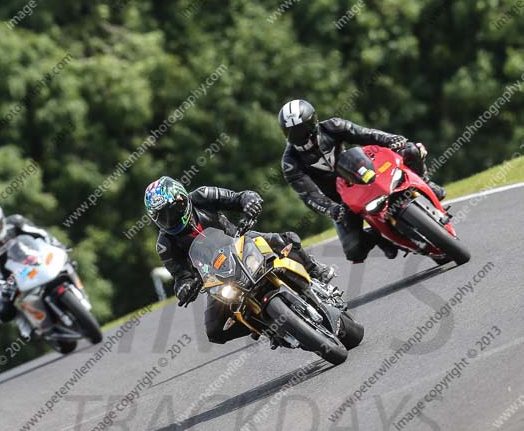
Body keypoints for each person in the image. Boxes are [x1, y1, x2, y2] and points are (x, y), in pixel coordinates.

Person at [144, 176, 335, 344]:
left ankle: (315, 270)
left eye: (172, 211)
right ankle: (266, 327)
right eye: (162, 217)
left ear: (182, 199)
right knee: (215, 331)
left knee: (283, 240)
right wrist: (184, 288)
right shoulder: (165, 245)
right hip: (216, 278)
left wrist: (250, 202)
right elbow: (180, 277)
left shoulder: (203, 196)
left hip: (241, 243)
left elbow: (240, 197)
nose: (170, 219)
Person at [278, 99, 445, 264]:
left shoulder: (332, 126)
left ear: (312, 122)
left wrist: (391, 140)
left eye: (301, 129)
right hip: (340, 200)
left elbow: (366, 134)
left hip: (361, 171)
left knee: (411, 150)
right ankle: (379, 237)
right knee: (354, 250)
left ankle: (425, 181)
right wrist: (331, 209)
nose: (298, 136)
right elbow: (308, 194)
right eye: (292, 132)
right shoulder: (290, 162)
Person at [0, 203, 64, 323]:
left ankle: (76, 292)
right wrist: (2, 285)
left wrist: (55, 244)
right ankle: (28, 328)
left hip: (34, 262)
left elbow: (40, 233)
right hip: (10, 281)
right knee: (2, 313)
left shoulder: (14, 222)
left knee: (66, 262)